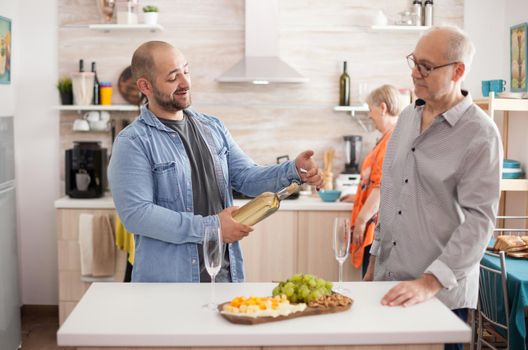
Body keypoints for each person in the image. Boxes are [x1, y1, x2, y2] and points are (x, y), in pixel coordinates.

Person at [108, 41, 324, 283]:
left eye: (186, 71)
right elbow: (137, 215)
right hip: (170, 283)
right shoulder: (133, 141)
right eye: (172, 77)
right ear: (145, 86)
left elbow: (246, 177)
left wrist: (293, 170)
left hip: (223, 274)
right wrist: (213, 227)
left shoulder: (212, 127)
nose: (185, 83)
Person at [364, 26, 502, 350]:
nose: (414, 72)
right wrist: (374, 262)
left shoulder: (480, 135)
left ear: (458, 71)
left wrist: (429, 282)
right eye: (414, 61)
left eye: (426, 66)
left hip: (440, 297)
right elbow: (392, 194)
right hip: (388, 285)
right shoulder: (407, 119)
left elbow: (479, 221)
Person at [343, 85, 401, 278]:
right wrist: (358, 196)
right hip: (373, 228)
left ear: (383, 108)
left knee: (370, 282)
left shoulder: (392, 139)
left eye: (370, 109)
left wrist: (361, 220)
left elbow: (381, 186)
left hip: (374, 229)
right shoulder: (386, 138)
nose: (369, 115)